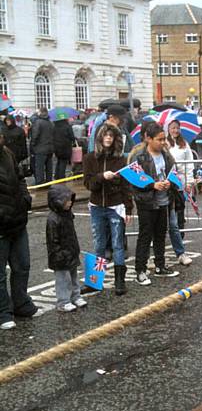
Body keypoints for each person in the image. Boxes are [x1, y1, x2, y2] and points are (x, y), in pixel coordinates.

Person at [83, 123, 134, 295]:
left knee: (118, 245)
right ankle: (94, 281)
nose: (108, 138)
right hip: (97, 206)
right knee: (98, 244)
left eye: (111, 136)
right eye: (105, 135)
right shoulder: (89, 158)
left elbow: (126, 186)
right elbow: (88, 184)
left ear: (115, 139)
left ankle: (120, 281)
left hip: (116, 206)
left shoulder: (120, 160)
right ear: (99, 137)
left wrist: (128, 209)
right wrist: (101, 177)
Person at [0, 129, 42, 329]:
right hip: (1, 226)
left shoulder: (8, 153)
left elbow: (20, 179)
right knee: (0, 274)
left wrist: (26, 199)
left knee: (22, 265)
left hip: (18, 222)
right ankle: (3, 312)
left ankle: (21, 303)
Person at [132, 123, 180, 286]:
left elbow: (174, 172)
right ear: (148, 139)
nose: (163, 142)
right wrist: (152, 185)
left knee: (161, 234)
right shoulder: (140, 156)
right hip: (146, 202)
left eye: (164, 138)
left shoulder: (166, 155)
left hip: (164, 200)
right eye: (159, 139)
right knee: (145, 236)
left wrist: (169, 183)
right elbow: (133, 180)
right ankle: (140, 270)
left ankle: (160, 266)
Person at [46, 185, 86, 312]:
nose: (69, 203)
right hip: (61, 255)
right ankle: (63, 301)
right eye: (67, 200)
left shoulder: (67, 214)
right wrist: (59, 254)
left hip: (70, 251)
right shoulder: (53, 219)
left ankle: (75, 296)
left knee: (73, 276)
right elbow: (52, 240)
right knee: (63, 279)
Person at [166, 120, 194, 266]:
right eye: (172, 128)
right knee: (167, 210)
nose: (175, 131)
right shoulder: (164, 143)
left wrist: (189, 182)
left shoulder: (185, 144)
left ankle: (180, 236)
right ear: (168, 129)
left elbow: (190, 164)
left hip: (181, 181)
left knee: (180, 209)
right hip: (168, 181)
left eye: (177, 128)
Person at [31, 107, 55, 184]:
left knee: (39, 167)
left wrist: (33, 145)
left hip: (40, 148)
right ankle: (49, 181)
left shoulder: (38, 122)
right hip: (50, 148)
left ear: (40, 112)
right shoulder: (50, 122)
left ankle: (40, 183)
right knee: (49, 167)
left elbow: (35, 136)